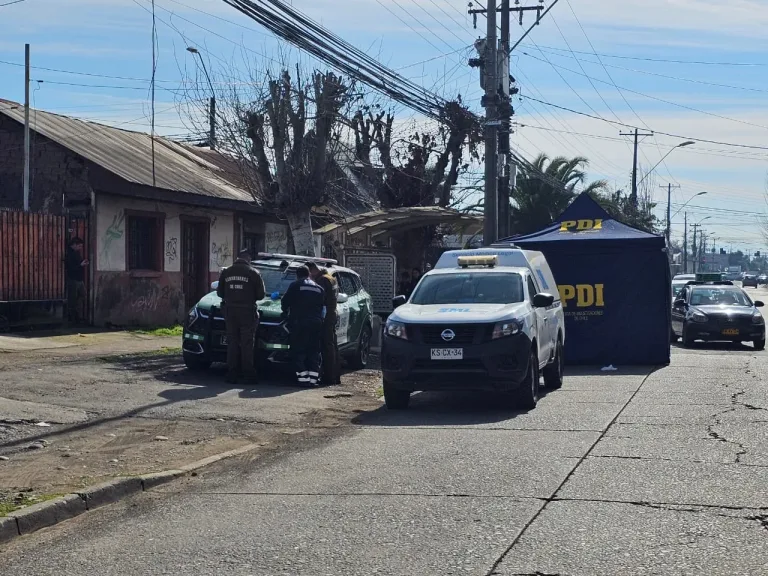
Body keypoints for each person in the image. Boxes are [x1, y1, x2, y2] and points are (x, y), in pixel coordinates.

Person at [217, 249, 265, 384]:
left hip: (230, 311)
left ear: (237, 258)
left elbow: (220, 293)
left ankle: (232, 373)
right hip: (247, 312)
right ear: (248, 259)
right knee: (247, 343)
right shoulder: (253, 272)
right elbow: (261, 295)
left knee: (232, 342)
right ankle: (248, 374)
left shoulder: (226, 272)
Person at [281, 265, 325, 387]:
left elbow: (285, 302)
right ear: (309, 274)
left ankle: (304, 379)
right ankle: (313, 379)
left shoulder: (295, 285)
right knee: (313, 351)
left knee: (298, 351)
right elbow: (322, 306)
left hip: (300, 323)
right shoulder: (319, 288)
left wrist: (285, 312)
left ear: (297, 275)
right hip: (316, 323)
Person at [307, 262, 340, 385]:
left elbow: (318, 298)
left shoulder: (322, 280)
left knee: (327, 347)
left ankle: (329, 377)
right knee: (332, 346)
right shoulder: (331, 278)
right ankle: (335, 375)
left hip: (325, 317)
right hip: (332, 314)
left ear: (311, 271)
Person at [65, 237, 88, 324]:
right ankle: (73, 317)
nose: (80, 248)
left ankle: (76, 314)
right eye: (79, 246)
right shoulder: (69, 254)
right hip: (73, 278)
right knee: (72, 299)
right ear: (74, 245)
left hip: (79, 278)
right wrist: (80, 265)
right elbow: (70, 268)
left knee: (83, 295)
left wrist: (83, 263)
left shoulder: (77, 253)